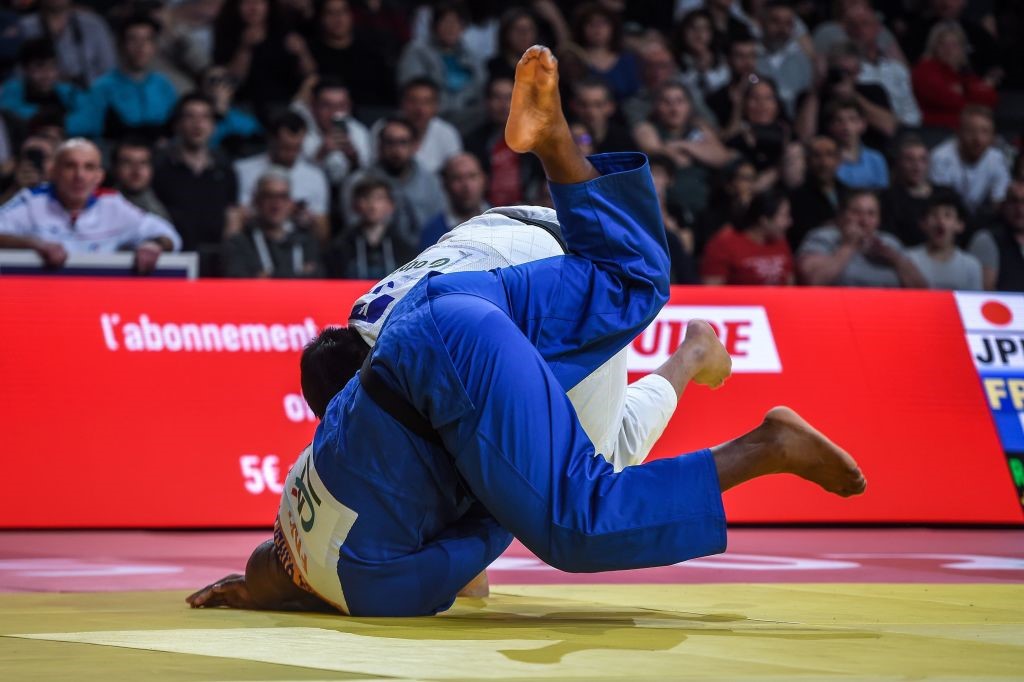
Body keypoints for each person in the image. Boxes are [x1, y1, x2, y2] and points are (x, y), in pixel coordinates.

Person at [188, 45, 864, 618]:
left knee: (579, 518)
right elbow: (264, 570)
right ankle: (556, 144)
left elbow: (491, 523)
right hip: (459, 277)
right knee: (634, 280)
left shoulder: (376, 587)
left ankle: (765, 445)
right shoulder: (294, 505)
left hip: (458, 370)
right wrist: (251, 591)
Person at [0, 137, 181, 273]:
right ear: (53, 171)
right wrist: (34, 245)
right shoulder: (32, 201)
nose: (79, 175)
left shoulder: (112, 205)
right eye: (70, 166)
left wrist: (153, 245)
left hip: (98, 305)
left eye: (89, 167)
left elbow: (169, 236)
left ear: (99, 176)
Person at [152, 93, 240, 270]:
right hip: (173, 259)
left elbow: (232, 215)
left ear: (213, 126)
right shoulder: (160, 167)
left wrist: (229, 253)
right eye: (190, 116)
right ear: (177, 124)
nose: (198, 124)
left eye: (205, 117)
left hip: (216, 260)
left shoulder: (224, 168)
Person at [797, 189, 927, 288]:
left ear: (879, 220)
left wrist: (896, 261)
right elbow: (813, 281)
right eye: (856, 212)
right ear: (842, 215)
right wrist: (848, 247)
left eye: (871, 214)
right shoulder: (823, 238)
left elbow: (922, 289)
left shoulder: (889, 243)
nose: (864, 221)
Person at [235, 111, 330, 241]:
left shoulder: (315, 177)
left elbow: (323, 233)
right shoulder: (243, 171)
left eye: (297, 148)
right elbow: (238, 217)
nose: (291, 154)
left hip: (297, 243)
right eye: (285, 148)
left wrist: (309, 220)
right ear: (272, 140)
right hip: (254, 242)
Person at [90, 14, 178, 143]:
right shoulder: (102, 87)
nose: (141, 46)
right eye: (133, 39)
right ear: (121, 44)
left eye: (147, 40)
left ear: (155, 47)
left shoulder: (164, 85)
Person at [396, 1, 485, 129]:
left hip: (468, 117)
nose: (451, 28)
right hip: (429, 116)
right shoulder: (416, 51)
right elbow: (412, 88)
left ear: (463, 28)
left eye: (456, 23)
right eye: (446, 22)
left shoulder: (471, 56)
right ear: (434, 26)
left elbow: (481, 88)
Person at [222, 170, 322, 278]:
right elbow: (238, 281)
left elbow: (318, 278)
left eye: (283, 197)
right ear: (257, 201)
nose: (276, 204)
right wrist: (299, 275)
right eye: (269, 196)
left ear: (291, 203)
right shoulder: (240, 243)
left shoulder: (305, 241)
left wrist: (265, 277)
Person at [911, 22, 998, 132]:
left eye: (954, 45)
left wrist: (964, 89)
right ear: (934, 47)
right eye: (942, 44)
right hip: (936, 130)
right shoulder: (924, 69)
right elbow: (944, 98)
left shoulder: (965, 74)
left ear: (962, 49)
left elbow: (991, 98)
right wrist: (974, 97)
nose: (949, 50)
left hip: (968, 131)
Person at [701, 186, 794, 285]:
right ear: (764, 220)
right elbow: (711, 292)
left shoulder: (781, 242)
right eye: (785, 216)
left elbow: (790, 286)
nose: (790, 222)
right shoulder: (723, 244)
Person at [928, 106, 1009, 218]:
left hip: (981, 220)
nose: (978, 139)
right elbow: (941, 204)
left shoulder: (997, 159)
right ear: (959, 132)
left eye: (985, 132)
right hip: (947, 219)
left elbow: (999, 201)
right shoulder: (940, 157)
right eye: (971, 131)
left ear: (992, 136)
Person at [370, 77, 462, 175]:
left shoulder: (447, 133)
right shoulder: (383, 127)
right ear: (402, 103)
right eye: (413, 101)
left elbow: (456, 171)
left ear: (436, 106)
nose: (420, 109)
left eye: (427, 102)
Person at [326, 177, 412, 279]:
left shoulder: (404, 248)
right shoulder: (340, 247)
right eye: (366, 198)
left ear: (390, 205)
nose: (372, 205)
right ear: (355, 205)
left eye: (378, 198)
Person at [17, 0, 116, 87]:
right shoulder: (24, 27)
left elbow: (110, 70)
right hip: (42, 101)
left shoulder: (94, 25)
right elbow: (18, 75)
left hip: (91, 98)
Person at [905, 190, 982, 290]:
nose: (940, 221)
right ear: (923, 223)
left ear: (960, 225)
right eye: (934, 215)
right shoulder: (909, 259)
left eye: (947, 215)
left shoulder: (971, 266)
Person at [879, 135, 948, 247]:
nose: (917, 166)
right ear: (899, 163)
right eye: (909, 159)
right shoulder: (888, 199)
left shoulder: (946, 194)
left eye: (922, 159)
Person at [787, 135, 845, 251]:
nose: (824, 163)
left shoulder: (849, 193)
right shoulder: (796, 197)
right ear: (807, 161)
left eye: (830, 155)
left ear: (839, 160)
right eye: (817, 156)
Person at [419, 153, 488, 249]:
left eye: (472, 176)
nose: (466, 186)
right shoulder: (431, 234)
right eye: (458, 178)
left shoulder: (503, 223)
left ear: (484, 179)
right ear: (445, 184)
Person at [968, 181, 1024, 291]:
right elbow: (984, 294)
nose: (1020, 209)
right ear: (1003, 205)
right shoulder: (987, 240)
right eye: (1014, 201)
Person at [827, 98, 888, 191]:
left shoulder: (876, 159)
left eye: (852, 120)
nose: (846, 126)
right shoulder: (826, 160)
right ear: (831, 126)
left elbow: (883, 194)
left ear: (862, 124)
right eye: (839, 120)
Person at [111, 138, 171, 222]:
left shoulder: (167, 204)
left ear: (152, 168)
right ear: (115, 168)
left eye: (143, 163)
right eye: (127, 163)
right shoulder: (100, 206)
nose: (136, 171)